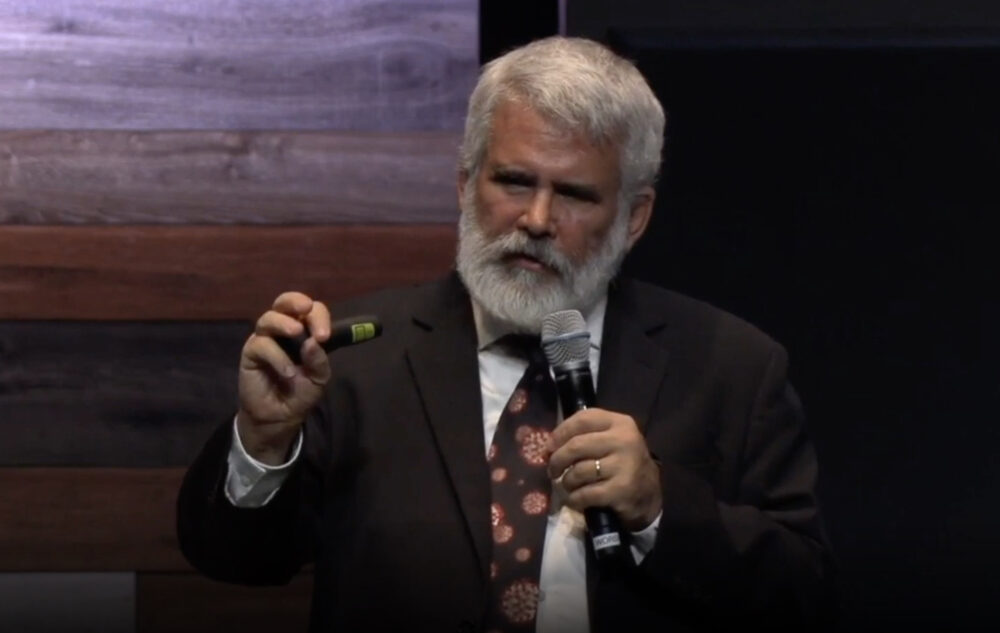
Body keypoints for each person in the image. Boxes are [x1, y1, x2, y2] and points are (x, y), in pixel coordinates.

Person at [177, 36, 836, 632]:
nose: (537, 219)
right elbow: (233, 560)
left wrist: (659, 509)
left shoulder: (732, 367)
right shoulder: (354, 360)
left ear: (633, 217)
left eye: (574, 194)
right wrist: (264, 442)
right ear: (466, 185)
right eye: (514, 181)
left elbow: (804, 595)